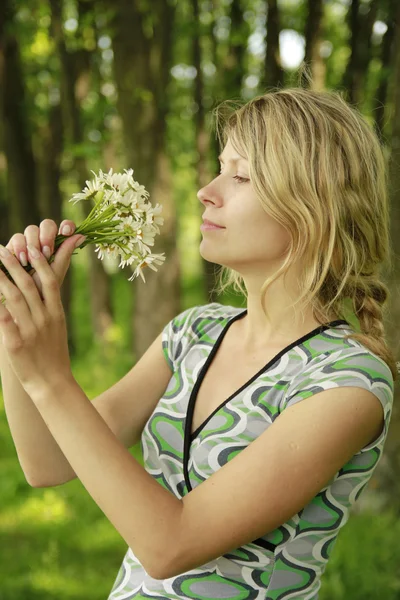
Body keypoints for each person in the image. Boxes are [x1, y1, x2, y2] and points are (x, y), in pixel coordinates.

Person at [2, 85, 397, 599]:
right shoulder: (195, 333)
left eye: (241, 176)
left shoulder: (346, 384)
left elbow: (170, 544)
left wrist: (52, 377)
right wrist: (16, 325)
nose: (206, 191)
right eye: (219, 167)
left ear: (312, 209)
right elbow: (48, 461)